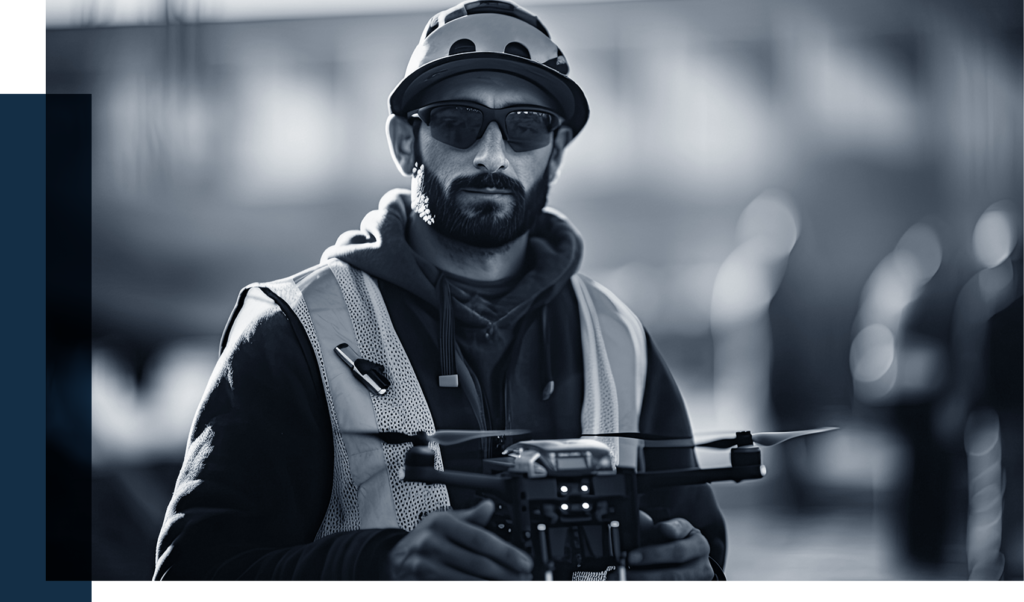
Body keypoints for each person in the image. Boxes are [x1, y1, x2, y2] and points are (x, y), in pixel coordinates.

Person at [154, 0, 725, 582]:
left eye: (526, 125)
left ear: (555, 153)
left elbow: (698, 546)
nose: (492, 155)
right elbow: (194, 569)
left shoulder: (619, 337)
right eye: (458, 121)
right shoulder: (293, 330)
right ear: (406, 143)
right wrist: (382, 566)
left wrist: (695, 572)